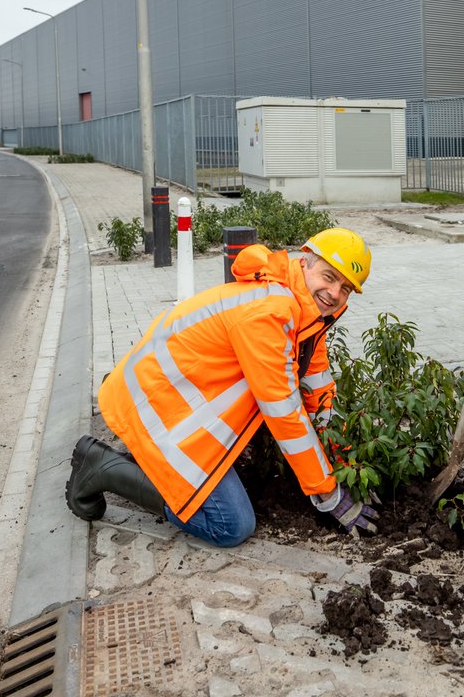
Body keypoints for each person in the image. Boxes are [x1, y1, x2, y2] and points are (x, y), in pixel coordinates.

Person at [65, 227, 379, 547]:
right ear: (305, 263)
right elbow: (284, 411)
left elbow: (318, 392)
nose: (335, 293)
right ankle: (102, 467)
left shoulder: (308, 314)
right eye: (329, 276)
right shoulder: (270, 311)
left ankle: (148, 461)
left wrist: (343, 464)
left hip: (171, 398)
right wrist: (327, 493)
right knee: (231, 524)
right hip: (157, 406)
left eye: (346, 288)